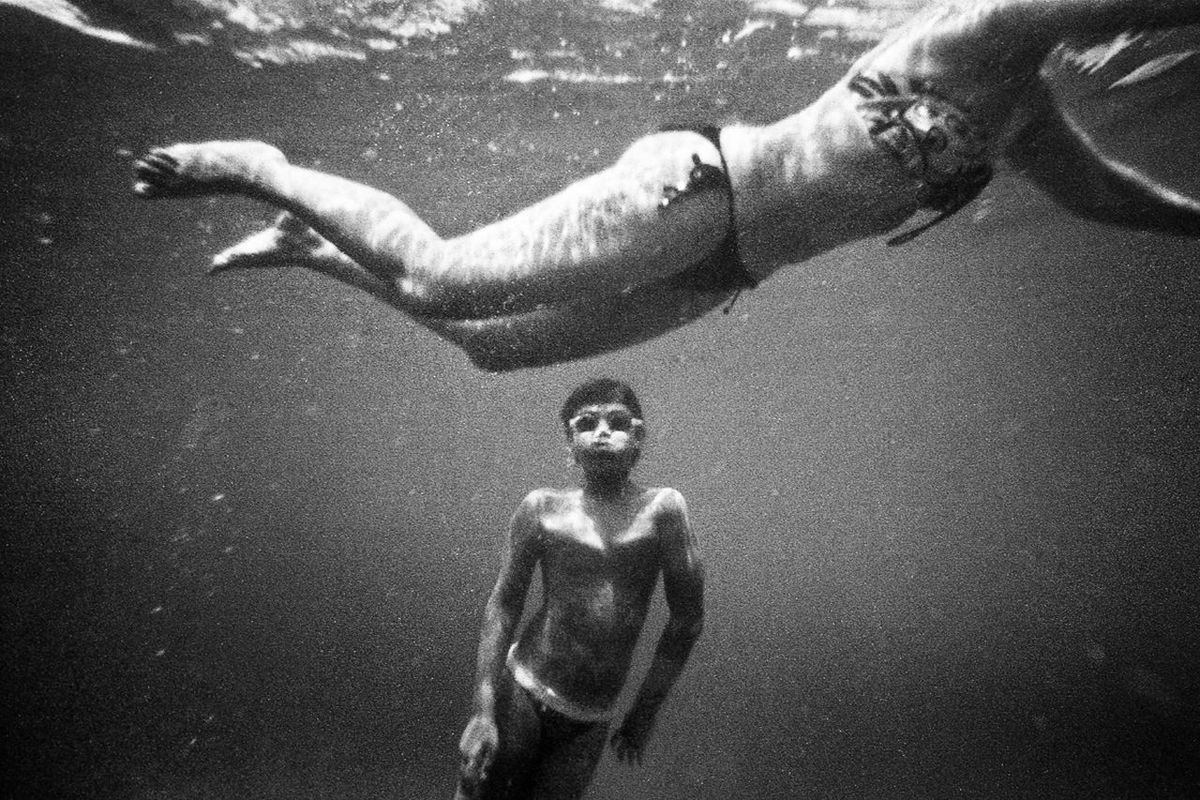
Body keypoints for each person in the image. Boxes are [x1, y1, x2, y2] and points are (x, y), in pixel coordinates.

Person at [132, 0, 1200, 371]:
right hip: (700, 189)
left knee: (488, 346)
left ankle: (313, 248)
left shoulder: (1024, 115)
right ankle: (262, 165)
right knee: (448, 277)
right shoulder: (980, 27)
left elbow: (1102, 197)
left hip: (729, 265)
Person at [452, 378, 703, 800]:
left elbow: (687, 622)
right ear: (569, 441)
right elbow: (504, 606)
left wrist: (645, 711)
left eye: (616, 422)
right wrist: (482, 710)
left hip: (591, 717)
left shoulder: (664, 511)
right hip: (524, 690)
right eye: (587, 423)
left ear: (639, 437)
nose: (602, 432)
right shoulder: (542, 509)